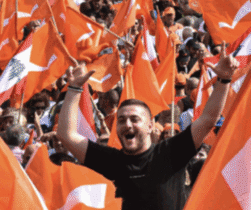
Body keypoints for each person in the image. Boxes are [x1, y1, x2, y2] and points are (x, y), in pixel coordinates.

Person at [57, 51, 238, 210]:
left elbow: (208, 119)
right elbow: (67, 136)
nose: (128, 125)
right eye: (121, 120)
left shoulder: (171, 152)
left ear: (150, 125)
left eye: (135, 119)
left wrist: (224, 80)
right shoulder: (111, 161)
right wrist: (74, 89)